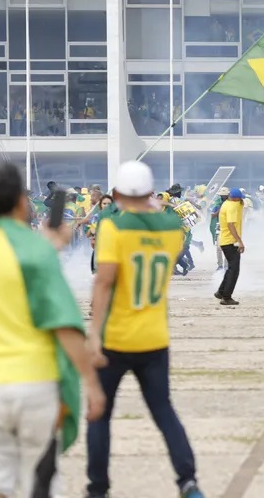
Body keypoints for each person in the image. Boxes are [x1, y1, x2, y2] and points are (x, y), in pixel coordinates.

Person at [87, 160, 205, 498]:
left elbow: (104, 283)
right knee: (164, 410)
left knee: (99, 414)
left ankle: (98, 488)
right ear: (151, 193)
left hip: (116, 336)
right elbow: (166, 216)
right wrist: (155, 205)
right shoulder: (170, 228)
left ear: (117, 194)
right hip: (154, 337)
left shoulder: (113, 227)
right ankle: (188, 480)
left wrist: (93, 335)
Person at [0, 162, 104, 498]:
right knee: (40, 483)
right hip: (34, 385)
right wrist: (92, 384)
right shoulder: (35, 251)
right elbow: (64, 326)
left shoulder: (36, 249)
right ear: (20, 203)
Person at [213, 188, 244, 306]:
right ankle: (226, 297)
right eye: (239, 198)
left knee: (231, 268)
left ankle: (221, 292)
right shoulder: (231, 207)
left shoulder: (227, 203)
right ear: (235, 198)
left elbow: (241, 203)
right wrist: (239, 241)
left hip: (226, 241)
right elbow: (231, 225)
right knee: (234, 270)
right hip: (230, 242)